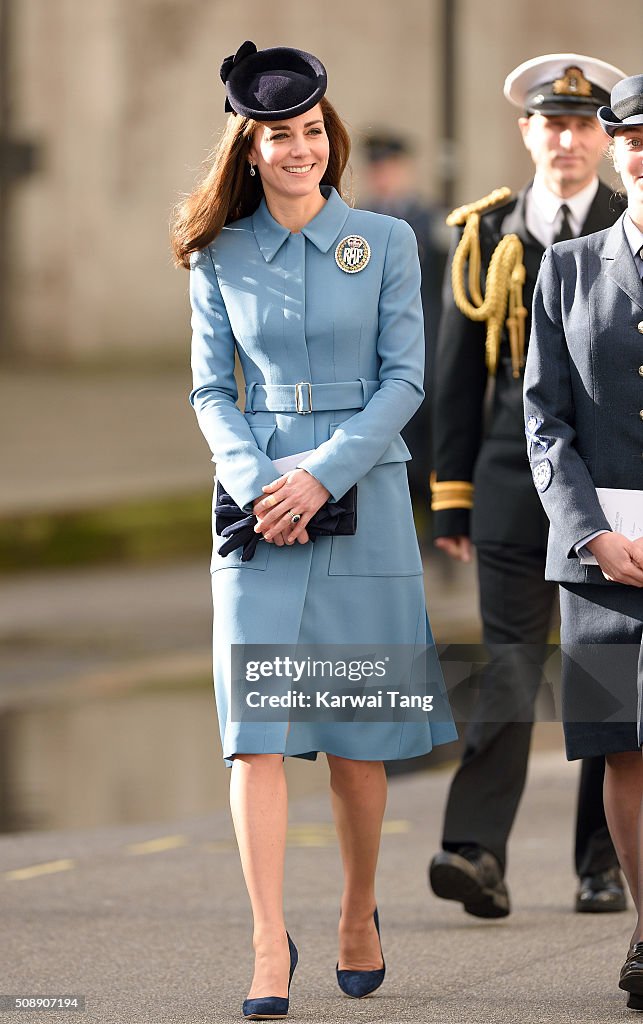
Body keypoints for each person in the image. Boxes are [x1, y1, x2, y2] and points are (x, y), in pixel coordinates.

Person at [171, 41, 456, 1019]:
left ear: (325, 137)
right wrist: (258, 481)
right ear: (249, 148)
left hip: (363, 502)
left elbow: (405, 382)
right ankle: (264, 941)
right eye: (278, 138)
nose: (298, 151)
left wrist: (322, 474)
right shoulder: (218, 253)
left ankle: (356, 911)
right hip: (254, 511)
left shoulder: (381, 242)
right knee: (253, 736)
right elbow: (212, 388)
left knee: (352, 737)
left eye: (309, 134)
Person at [428, 53, 627, 918]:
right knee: (509, 665)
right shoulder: (484, 232)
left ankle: (602, 863)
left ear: (606, 140)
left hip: (617, 487)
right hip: (513, 481)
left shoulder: (632, 217)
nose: (569, 140)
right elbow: (455, 374)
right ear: (527, 133)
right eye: (553, 123)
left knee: (607, 679)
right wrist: (451, 494)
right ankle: (475, 851)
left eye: (586, 125)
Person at [523, 72, 643, 1012]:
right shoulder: (564, 269)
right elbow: (543, 420)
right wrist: (589, 535)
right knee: (619, 747)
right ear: (617, 149)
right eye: (635, 139)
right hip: (601, 564)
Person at [359, 132, 447, 518]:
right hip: (375, 346)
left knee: (429, 436)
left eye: (389, 168)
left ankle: (436, 521)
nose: (384, 176)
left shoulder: (432, 221)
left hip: (427, 343)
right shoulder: (359, 221)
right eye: (376, 169)